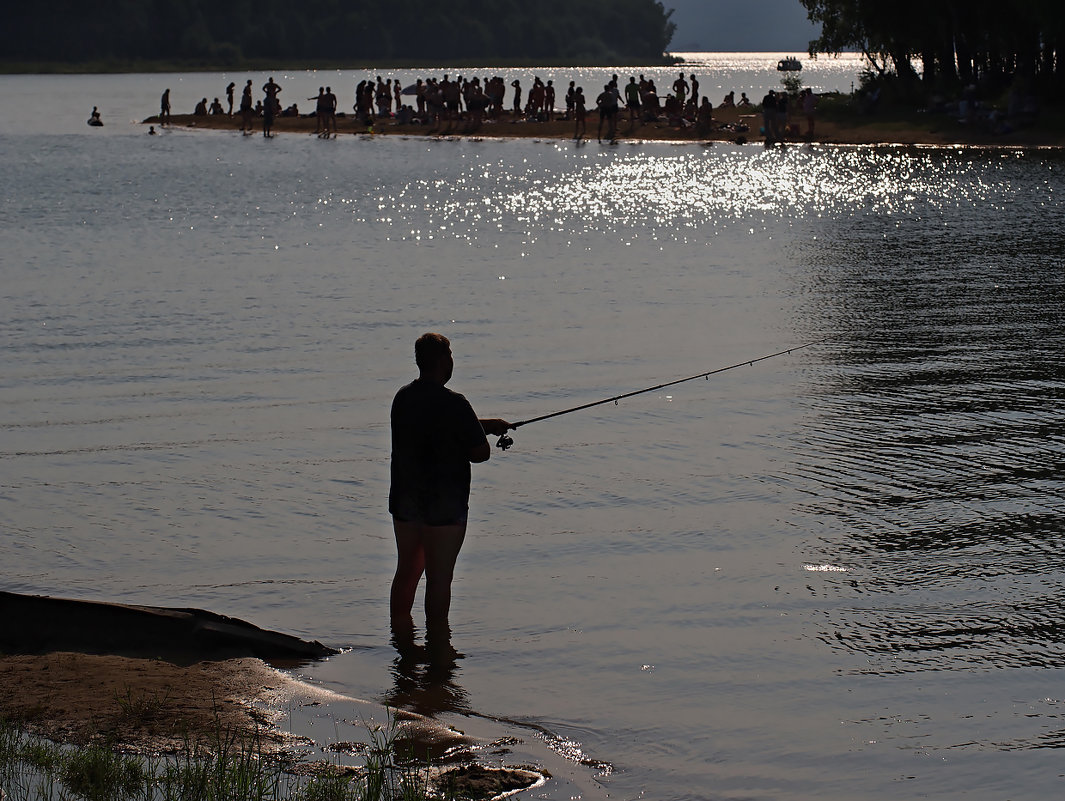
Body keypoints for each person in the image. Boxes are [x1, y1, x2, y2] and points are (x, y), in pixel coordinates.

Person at [389, 333, 511, 633]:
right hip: (444, 507)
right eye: (451, 355)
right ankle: (437, 647)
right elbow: (480, 453)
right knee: (439, 578)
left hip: (406, 502)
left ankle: (400, 639)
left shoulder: (403, 397)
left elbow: (432, 427)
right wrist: (480, 434)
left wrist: (483, 425)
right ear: (443, 361)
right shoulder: (456, 404)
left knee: (406, 572)